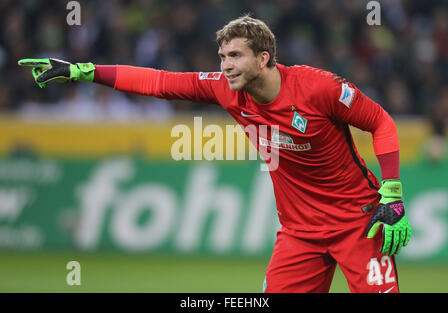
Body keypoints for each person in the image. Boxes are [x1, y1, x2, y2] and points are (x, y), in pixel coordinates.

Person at [18, 15, 411, 293]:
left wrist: (391, 193)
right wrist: (84, 72)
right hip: (300, 233)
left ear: (263, 58)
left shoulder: (319, 88)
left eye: (235, 56)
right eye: (222, 57)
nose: (225, 66)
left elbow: (381, 122)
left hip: (360, 223)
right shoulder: (226, 90)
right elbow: (160, 82)